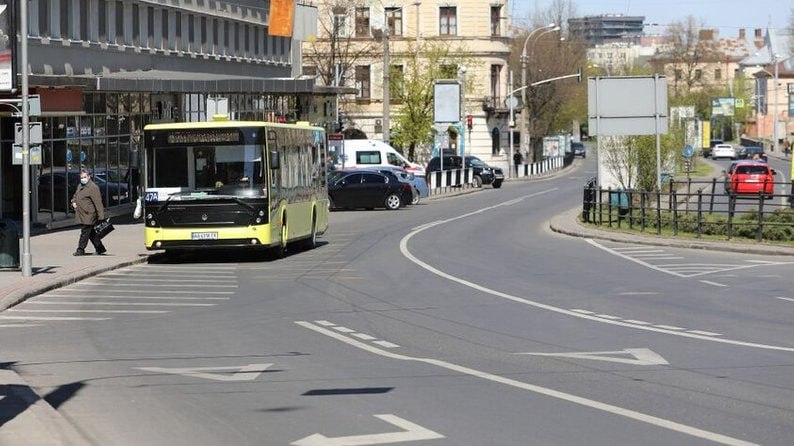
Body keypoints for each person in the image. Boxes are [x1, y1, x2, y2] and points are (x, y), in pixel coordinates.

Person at [71, 169, 107, 256]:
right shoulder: (80, 186)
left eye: (84, 177)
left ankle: (80, 249)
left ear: (89, 177)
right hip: (82, 213)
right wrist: (73, 202)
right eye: (81, 177)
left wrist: (101, 216)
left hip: (89, 214)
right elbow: (75, 196)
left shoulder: (93, 187)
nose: (83, 179)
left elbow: (98, 202)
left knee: (85, 232)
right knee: (91, 233)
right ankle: (100, 248)